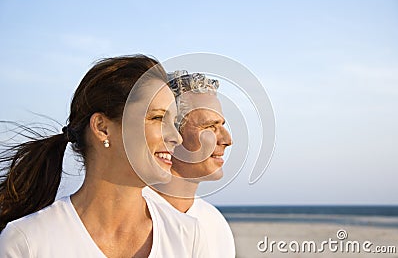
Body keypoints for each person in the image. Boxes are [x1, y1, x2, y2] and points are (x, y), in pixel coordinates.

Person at [0, 56, 208, 257]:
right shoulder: (28, 242)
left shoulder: (187, 237)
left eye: (174, 123)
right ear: (102, 127)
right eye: (157, 118)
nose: (176, 138)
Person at [143, 71, 236, 258]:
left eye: (222, 126)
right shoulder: (131, 215)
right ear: (170, 133)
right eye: (210, 126)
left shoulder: (215, 223)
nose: (227, 140)